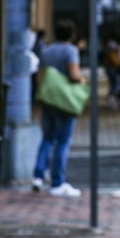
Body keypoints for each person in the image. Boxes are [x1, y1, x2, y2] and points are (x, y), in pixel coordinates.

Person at [32, 19, 84, 197]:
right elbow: (74, 74)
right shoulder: (70, 50)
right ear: (72, 35)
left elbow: (39, 75)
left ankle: (38, 176)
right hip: (64, 101)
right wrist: (82, 81)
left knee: (47, 137)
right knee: (62, 141)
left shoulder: (47, 50)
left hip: (48, 99)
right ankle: (57, 182)